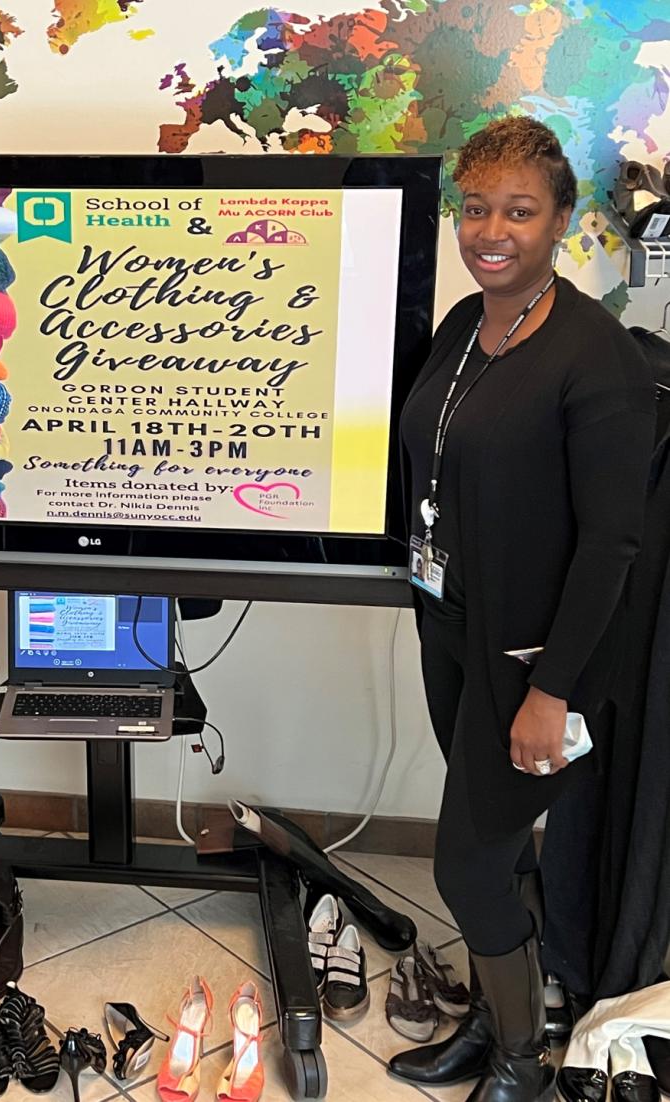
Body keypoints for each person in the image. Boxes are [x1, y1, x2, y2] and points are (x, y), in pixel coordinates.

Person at [393, 116, 655, 1102]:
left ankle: (517, 1063)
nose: (488, 231)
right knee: (490, 857)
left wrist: (549, 693)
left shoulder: (597, 362)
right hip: (451, 625)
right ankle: (491, 1019)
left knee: (466, 863)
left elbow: (611, 547)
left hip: (538, 657)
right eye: (474, 208)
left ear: (560, 221)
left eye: (517, 210)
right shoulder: (468, 323)